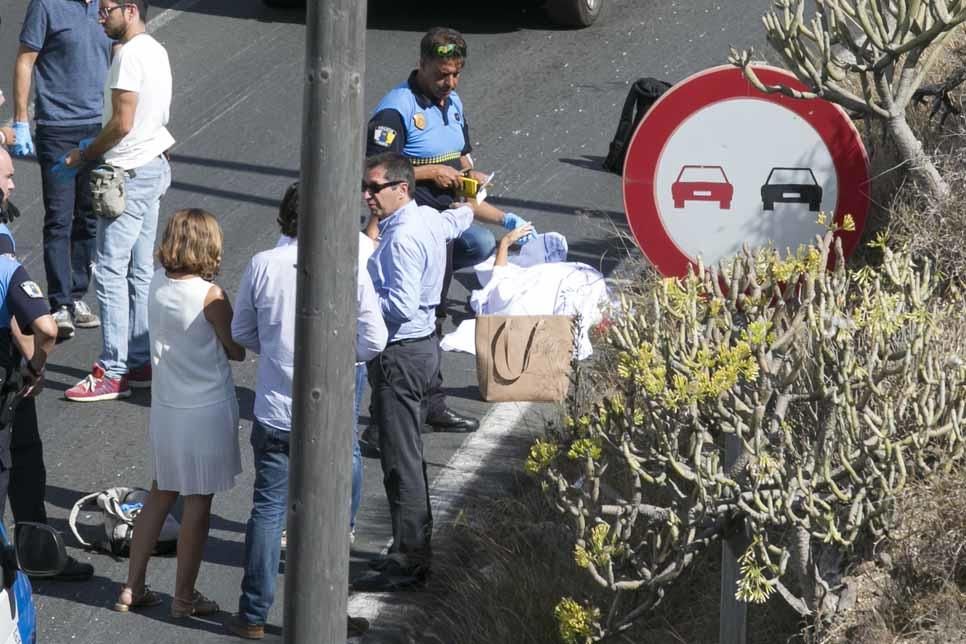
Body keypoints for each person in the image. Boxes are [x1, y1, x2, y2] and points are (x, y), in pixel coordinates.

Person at [228, 183, 385, 640]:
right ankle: (330, 609)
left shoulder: (263, 264)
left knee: (268, 509)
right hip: (331, 410)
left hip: (276, 409)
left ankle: (254, 614)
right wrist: (339, 360)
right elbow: (373, 340)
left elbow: (242, 330)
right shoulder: (348, 265)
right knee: (333, 512)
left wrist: (280, 353)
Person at [366, 27, 535, 434]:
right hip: (413, 225)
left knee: (436, 307)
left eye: (456, 74)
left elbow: (461, 155)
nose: (450, 82)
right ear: (422, 64)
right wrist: (429, 173)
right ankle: (386, 419)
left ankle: (431, 402)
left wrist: (467, 174)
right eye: (442, 74)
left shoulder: (452, 103)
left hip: (449, 219)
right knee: (414, 318)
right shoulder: (396, 110)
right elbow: (375, 170)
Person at [352, 152, 490, 593]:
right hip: (421, 349)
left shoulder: (402, 238)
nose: (367, 196)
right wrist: (472, 199)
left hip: (400, 354)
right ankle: (411, 548)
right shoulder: (428, 220)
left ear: (402, 188)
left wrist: (359, 299)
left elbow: (401, 304)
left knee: (401, 460)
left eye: (375, 188)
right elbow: (458, 221)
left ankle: (409, 557)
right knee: (403, 454)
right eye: (366, 187)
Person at [112, 209, 244, 617]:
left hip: (168, 407)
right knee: (197, 503)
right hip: (205, 408)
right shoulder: (211, 296)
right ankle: (184, 597)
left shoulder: (154, 282)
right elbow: (235, 349)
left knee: (160, 492)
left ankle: (131, 587)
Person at [64, 0, 174, 402]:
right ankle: (141, 361)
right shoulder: (156, 49)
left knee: (110, 270)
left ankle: (113, 370)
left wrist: (87, 153)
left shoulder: (128, 56)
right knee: (139, 270)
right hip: (155, 165)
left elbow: (123, 123)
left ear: (130, 10)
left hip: (128, 173)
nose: (99, 15)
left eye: (106, 8)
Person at [0, 147, 93, 581]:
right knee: (21, 460)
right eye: (7, 176)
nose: (14, 183)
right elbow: (40, 324)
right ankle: (29, 558)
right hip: (6, 378)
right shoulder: (2, 250)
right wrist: (34, 366)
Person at [12, 0, 112, 339]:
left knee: (88, 214)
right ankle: (59, 302)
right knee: (59, 216)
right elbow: (26, 60)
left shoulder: (106, 6)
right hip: (57, 129)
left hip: (97, 128)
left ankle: (77, 295)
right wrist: (21, 119)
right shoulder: (46, 5)